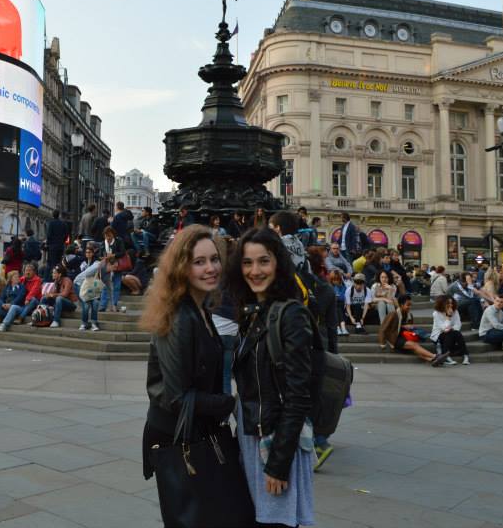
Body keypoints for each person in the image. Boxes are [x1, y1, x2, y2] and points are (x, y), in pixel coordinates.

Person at [140, 226, 236, 524]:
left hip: (196, 431)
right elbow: (177, 397)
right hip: (177, 437)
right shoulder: (180, 317)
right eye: (199, 262)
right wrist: (229, 403)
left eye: (214, 259)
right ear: (182, 267)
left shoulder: (201, 308)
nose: (211, 268)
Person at [225, 227, 315, 527]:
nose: (255, 271)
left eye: (263, 261)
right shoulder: (252, 313)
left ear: (278, 263)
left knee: (277, 521)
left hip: (276, 442)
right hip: (253, 437)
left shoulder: (291, 315)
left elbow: (298, 395)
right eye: (247, 263)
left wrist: (278, 463)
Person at [378, 294, 448, 365]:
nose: (409, 307)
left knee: (414, 348)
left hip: (405, 337)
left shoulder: (409, 315)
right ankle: (435, 356)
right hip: (395, 339)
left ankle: (432, 360)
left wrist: (411, 327)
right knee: (414, 345)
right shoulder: (393, 314)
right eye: (408, 305)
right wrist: (382, 343)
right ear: (401, 305)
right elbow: (383, 328)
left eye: (410, 305)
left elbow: (410, 328)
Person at [430, 296, 469, 365]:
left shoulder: (455, 311)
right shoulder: (436, 313)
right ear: (442, 304)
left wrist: (452, 329)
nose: (451, 305)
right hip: (438, 335)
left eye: (452, 303)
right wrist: (448, 316)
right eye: (448, 303)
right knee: (449, 333)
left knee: (456, 333)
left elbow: (458, 324)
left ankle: (465, 355)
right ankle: (446, 357)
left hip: (452, 333)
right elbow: (444, 328)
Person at [73, 244, 103, 331]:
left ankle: (94, 323)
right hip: (80, 284)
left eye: (89, 252)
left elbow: (88, 274)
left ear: (93, 253)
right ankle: (84, 323)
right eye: (86, 252)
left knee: (95, 303)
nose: (88, 254)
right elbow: (82, 276)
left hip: (92, 286)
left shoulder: (96, 263)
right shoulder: (83, 263)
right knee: (85, 304)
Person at [98, 227, 127, 313]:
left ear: (113, 234)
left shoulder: (118, 241)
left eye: (109, 235)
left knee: (116, 286)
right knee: (105, 287)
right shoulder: (103, 243)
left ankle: (114, 304)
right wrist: (103, 257)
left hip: (117, 266)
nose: (108, 238)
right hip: (106, 267)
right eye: (106, 236)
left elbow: (123, 252)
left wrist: (113, 255)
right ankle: (103, 305)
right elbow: (99, 255)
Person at [329, 270, 349, 336]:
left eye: (337, 280)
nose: (335, 281)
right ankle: (341, 327)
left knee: (338, 308)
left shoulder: (343, 287)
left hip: (342, 307)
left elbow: (343, 298)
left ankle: (340, 327)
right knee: (336, 308)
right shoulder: (330, 287)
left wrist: (337, 296)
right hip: (332, 308)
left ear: (340, 280)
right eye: (334, 280)